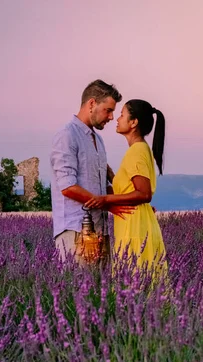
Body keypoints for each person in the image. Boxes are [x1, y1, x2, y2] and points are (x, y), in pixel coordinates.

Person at [50, 80, 135, 265]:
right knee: (76, 292)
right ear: (91, 104)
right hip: (76, 233)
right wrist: (107, 205)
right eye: (108, 110)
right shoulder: (67, 135)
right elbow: (68, 187)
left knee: (100, 293)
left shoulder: (98, 140)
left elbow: (104, 187)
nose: (112, 117)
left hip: (100, 230)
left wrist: (134, 203)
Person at [85, 99, 167, 278]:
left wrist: (105, 200)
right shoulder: (140, 149)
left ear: (133, 122)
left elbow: (143, 193)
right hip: (134, 222)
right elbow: (130, 189)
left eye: (122, 115)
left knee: (133, 284)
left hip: (134, 226)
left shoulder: (136, 151)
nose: (117, 119)